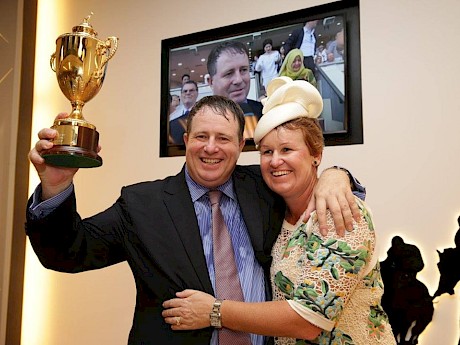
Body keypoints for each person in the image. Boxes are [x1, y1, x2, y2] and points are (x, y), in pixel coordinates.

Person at [26, 95, 362, 345]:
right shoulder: (142, 204)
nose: (211, 148)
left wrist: (337, 174)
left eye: (224, 139)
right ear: (186, 141)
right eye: (201, 136)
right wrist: (55, 185)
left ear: (240, 145)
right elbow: (66, 253)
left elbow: (303, 176)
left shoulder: (264, 186)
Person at [162, 77, 395, 345]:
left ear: (315, 154)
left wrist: (215, 311)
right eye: (266, 151)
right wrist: (338, 173)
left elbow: (309, 320)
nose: (275, 161)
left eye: (287, 149)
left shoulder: (340, 211)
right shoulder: (273, 211)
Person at [207, 41, 262, 139]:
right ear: (211, 82)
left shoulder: (266, 114)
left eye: (243, 70)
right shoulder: (195, 123)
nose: (239, 80)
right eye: (229, 73)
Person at [169, 80, 199, 145]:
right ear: (181, 95)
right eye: (185, 91)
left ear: (197, 93)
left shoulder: (202, 114)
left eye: (191, 90)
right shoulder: (173, 116)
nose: (188, 93)